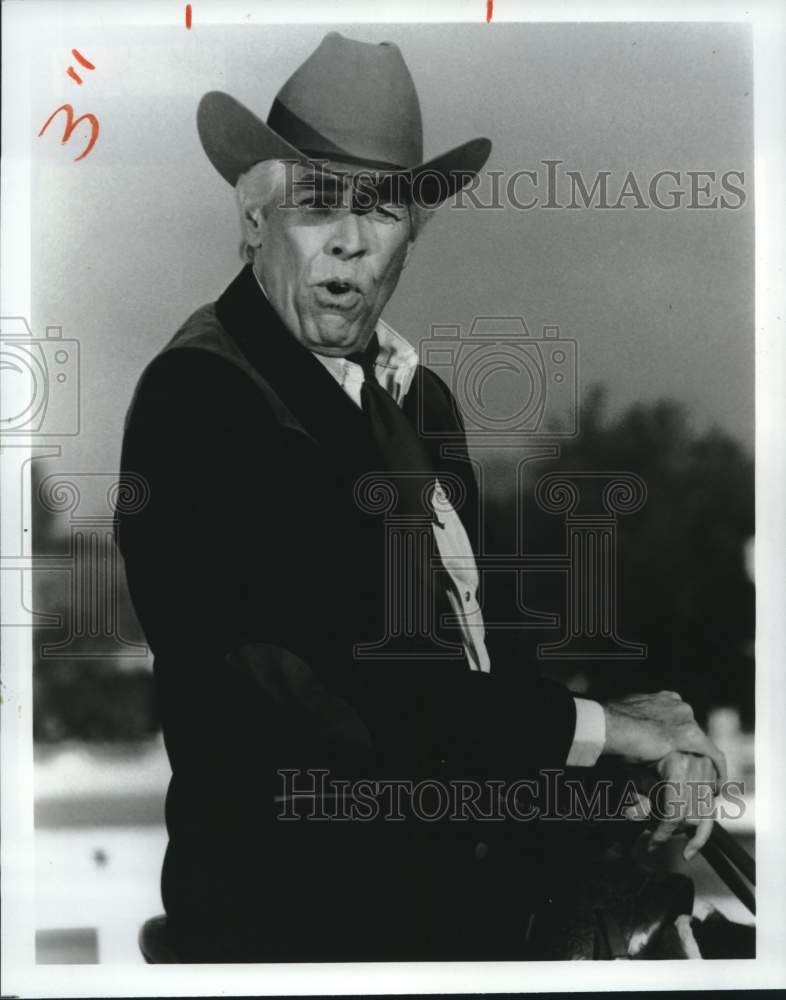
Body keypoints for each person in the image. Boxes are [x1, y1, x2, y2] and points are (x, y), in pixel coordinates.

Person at [115, 32, 725, 962]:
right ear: (254, 218)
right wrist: (616, 735)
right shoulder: (206, 399)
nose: (351, 240)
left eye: (386, 209)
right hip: (290, 941)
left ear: (415, 230)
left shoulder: (417, 398)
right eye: (317, 202)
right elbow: (383, 690)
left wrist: (638, 757)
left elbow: (474, 671)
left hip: (451, 910)